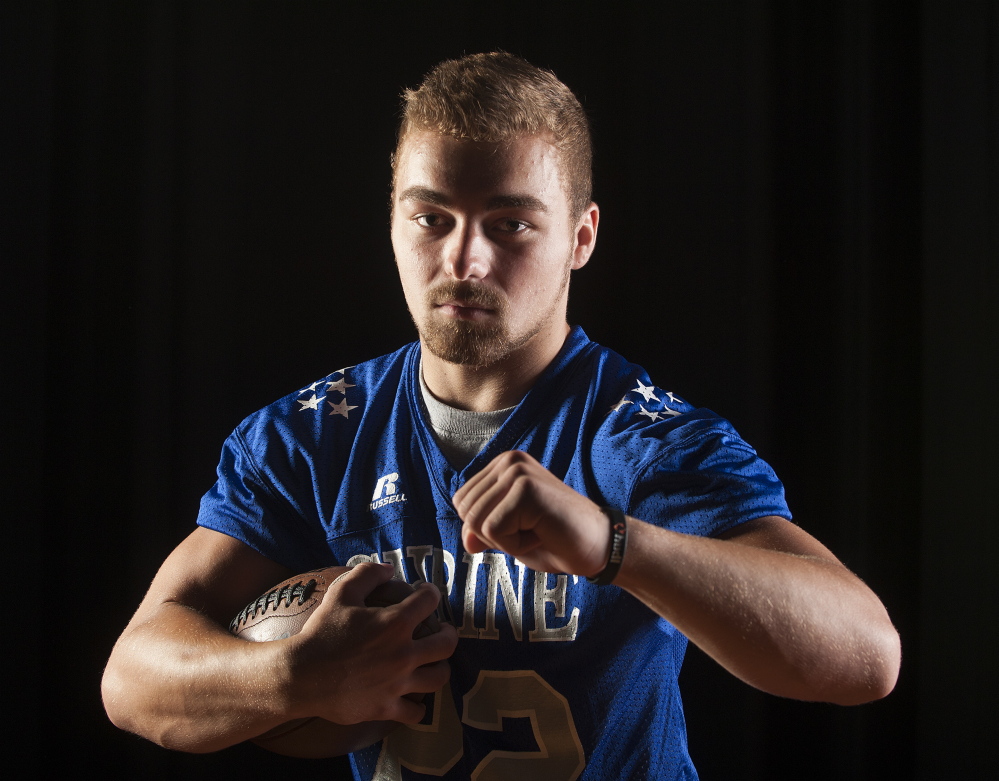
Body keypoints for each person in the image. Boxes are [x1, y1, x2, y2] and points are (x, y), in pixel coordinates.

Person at [102, 52, 900, 780]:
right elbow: (133, 679)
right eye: (431, 218)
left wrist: (615, 546)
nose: (463, 260)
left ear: (580, 238)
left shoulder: (639, 438)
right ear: (391, 220)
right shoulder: (315, 434)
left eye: (509, 223)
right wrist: (292, 677)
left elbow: (866, 656)